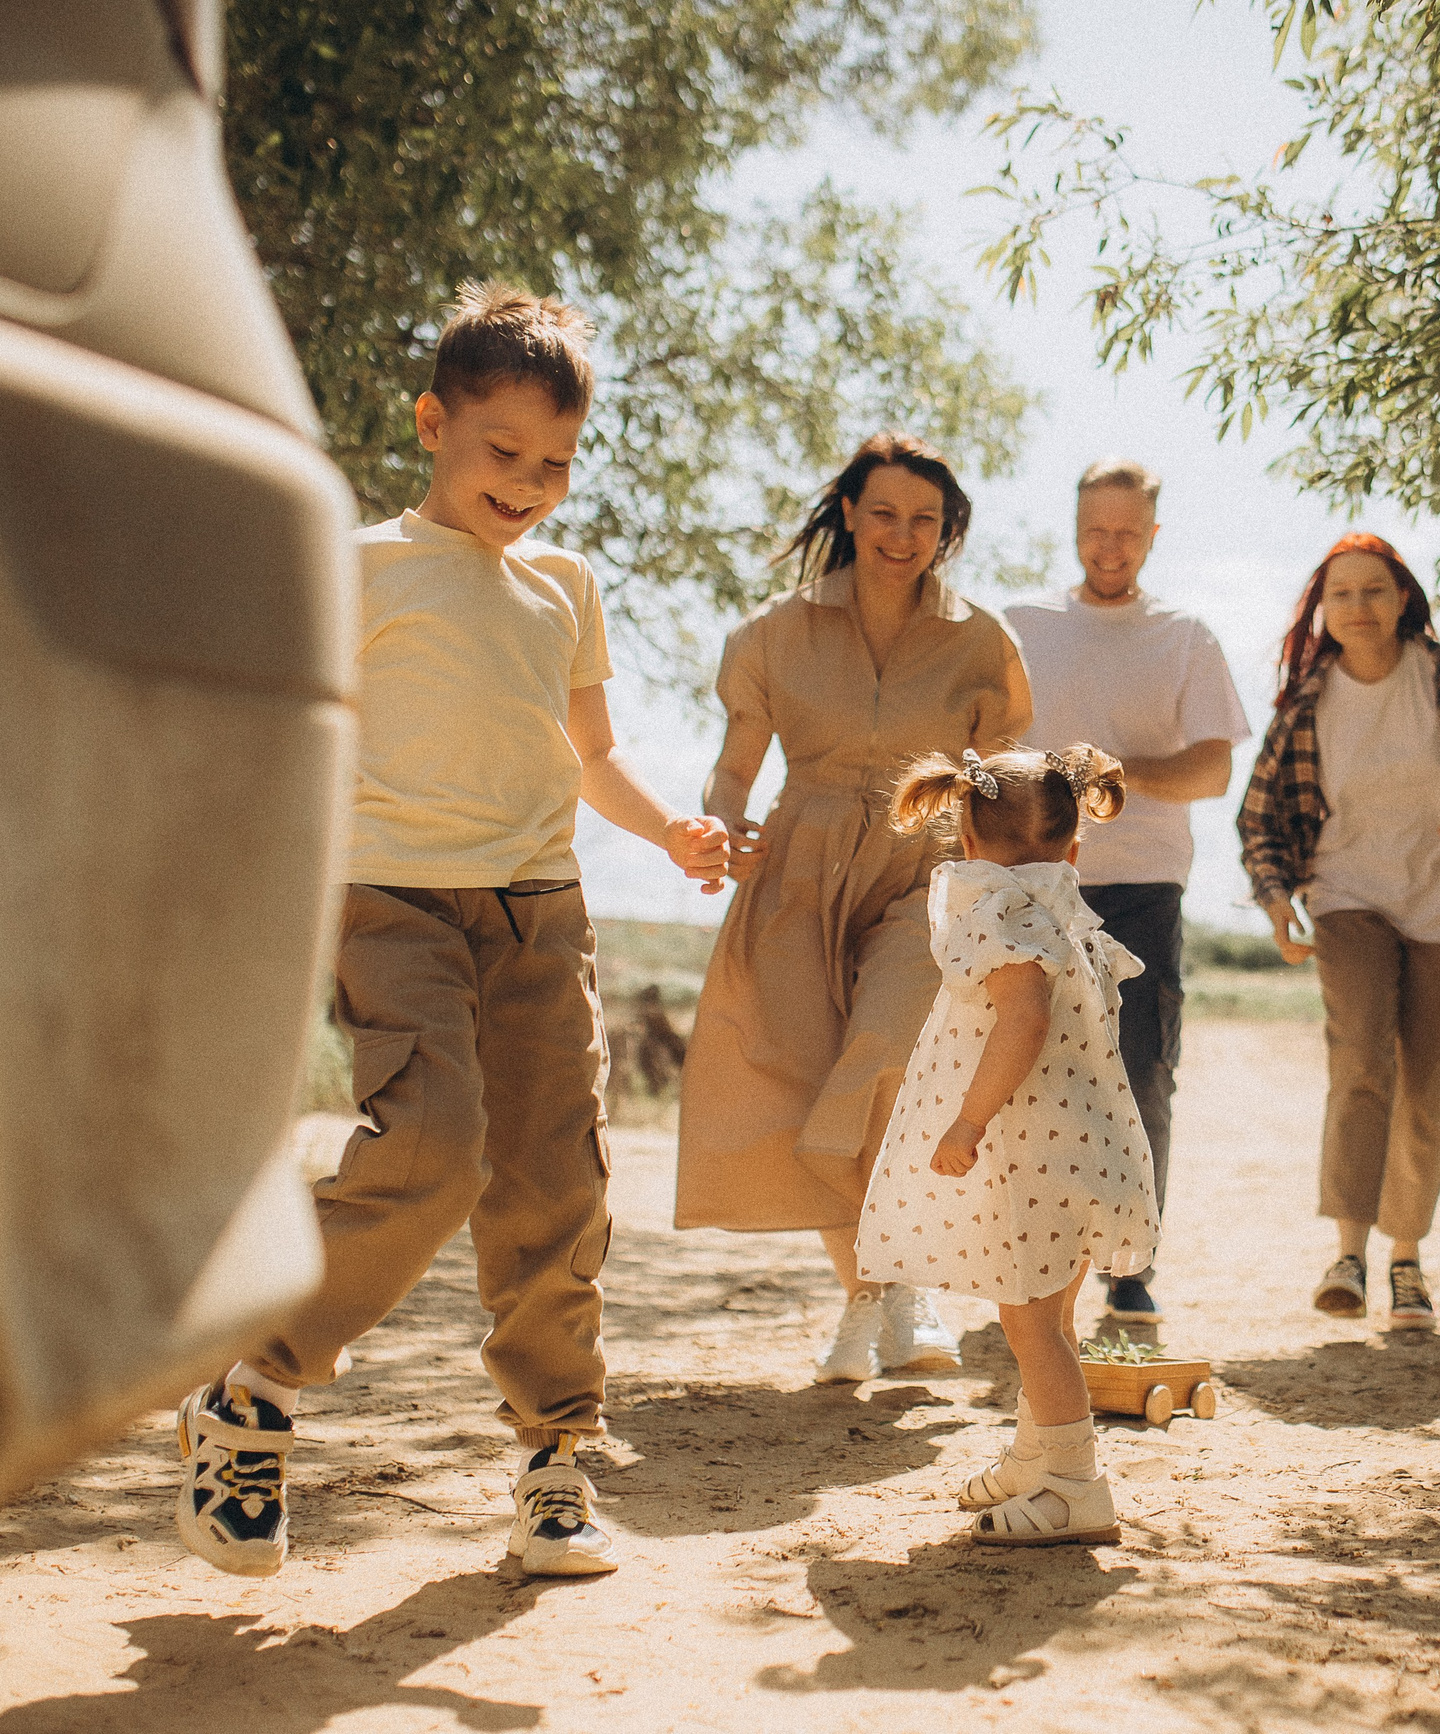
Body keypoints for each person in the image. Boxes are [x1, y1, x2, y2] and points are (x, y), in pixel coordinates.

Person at [173, 283, 733, 1579]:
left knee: (557, 1181)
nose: (530, 483)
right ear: (434, 424)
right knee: (433, 1146)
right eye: (504, 452)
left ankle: (554, 1458)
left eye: (556, 464)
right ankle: (253, 1388)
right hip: (393, 898)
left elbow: (588, 752)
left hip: (542, 911)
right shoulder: (358, 565)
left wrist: (668, 836)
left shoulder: (565, 586)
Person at [676, 431, 1033, 1384]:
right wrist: (720, 825)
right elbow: (734, 766)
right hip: (796, 869)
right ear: (848, 512)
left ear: (946, 532)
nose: (901, 534)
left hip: (927, 865)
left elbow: (998, 780)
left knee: (882, 1060)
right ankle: (873, 1297)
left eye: (925, 520)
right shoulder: (773, 633)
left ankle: (895, 1289)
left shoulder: (983, 640)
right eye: (883, 513)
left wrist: (1021, 891)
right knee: (802, 1084)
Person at [1236, 533, 1440, 1330]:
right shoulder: (1309, 704)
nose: (1358, 607)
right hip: (1349, 893)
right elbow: (1261, 817)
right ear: (1323, 608)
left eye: (1373, 590)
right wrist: (1277, 895)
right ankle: (1348, 1251)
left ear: (1403, 599)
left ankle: (1407, 1260)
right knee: (1360, 1057)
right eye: (1340, 593)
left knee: (1424, 1085)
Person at [856, 745, 1158, 1546]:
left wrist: (967, 1121)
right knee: (1048, 1316)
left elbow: (1021, 1015)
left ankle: (1074, 1486)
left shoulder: (991, 906)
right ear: (1073, 849)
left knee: (1029, 1323)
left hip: (1027, 1146)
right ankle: (1036, 1454)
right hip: (1082, 1142)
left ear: (966, 836)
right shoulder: (1066, 907)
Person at [1005, 460, 1249, 1325]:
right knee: (1027, 1073)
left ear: (1153, 534)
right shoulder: (1020, 627)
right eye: (1095, 530)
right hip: (1034, 881)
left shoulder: (1186, 636)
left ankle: (1132, 1265)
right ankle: (1035, 1256)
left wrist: (1116, 773)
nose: (1110, 547)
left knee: (1142, 1074)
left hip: (1145, 884)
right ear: (1074, 528)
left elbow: (1213, 768)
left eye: (1128, 531)